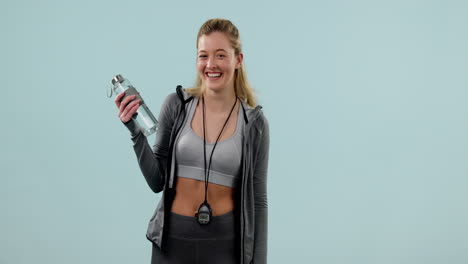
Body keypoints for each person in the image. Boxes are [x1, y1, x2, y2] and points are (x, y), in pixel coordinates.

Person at [114, 18, 270, 264]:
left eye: (220, 55)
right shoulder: (176, 105)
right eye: (203, 55)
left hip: (225, 246)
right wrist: (135, 133)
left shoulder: (254, 124)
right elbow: (157, 182)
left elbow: (258, 201)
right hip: (172, 243)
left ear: (238, 60)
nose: (211, 64)